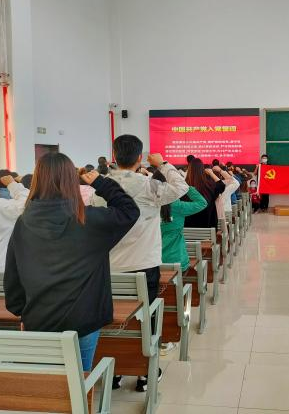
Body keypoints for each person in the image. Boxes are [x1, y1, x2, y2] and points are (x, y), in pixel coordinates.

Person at [4, 154, 140, 372]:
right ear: (71, 180)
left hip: (39, 317)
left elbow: (13, 273)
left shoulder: (24, 221)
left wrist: (22, 312)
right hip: (83, 318)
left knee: (48, 379)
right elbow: (129, 210)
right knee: (79, 379)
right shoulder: (88, 219)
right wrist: (101, 183)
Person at [91, 135, 188, 390]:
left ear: (114, 156)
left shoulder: (100, 187)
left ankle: (114, 369)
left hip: (109, 266)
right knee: (147, 316)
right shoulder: (148, 186)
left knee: (110, 317)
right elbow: (181, 187)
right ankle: (146, 371)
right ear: (139, 158)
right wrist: (162, 164)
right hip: (144, 264)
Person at [184, 158, 225, 228]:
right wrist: (211, 173)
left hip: (188, 230)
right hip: (208, 230)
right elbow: (221, 186)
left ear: (189, 170)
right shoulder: (209, 187)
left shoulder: (184, 188)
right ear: (202, 170)